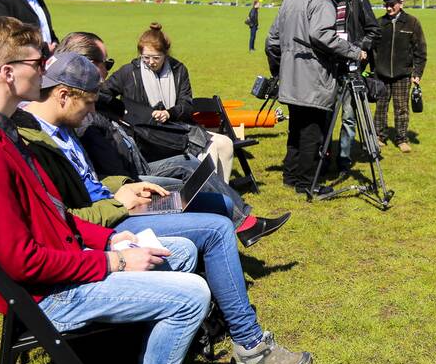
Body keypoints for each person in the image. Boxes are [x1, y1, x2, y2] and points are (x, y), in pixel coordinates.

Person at [0, 16, 218, 364]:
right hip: (47, 295)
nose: (47, 68)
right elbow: (21, 261)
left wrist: (109, 237)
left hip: (62, 265)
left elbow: (54, 216)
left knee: (176, 250)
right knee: (192, 295)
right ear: (7, 72)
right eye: (39, 60)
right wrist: (115, 260)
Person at [12, 50, 309, 364]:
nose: (92, 111)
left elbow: (88, 183)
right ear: (63, 95)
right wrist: (119, 203)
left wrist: (123, 186)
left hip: (114, 211)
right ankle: (249, 343)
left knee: (210, 206)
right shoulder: (35, 142)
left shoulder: (56, 128)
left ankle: (210, 330)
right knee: (216, 229)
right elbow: (62, 220)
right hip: (108, 227)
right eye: (90, 103)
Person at [41, 39, 290, 247]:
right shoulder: (89, 108)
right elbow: (104, 165)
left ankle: (243, 223)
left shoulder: (177, 70)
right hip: (130, 175)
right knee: (188, 171)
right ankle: (240, 224)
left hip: (137, 160)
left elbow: (185, 104)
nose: (107, 71)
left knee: (192, 164)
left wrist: (165, 114)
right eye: (105, 64)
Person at [265, 0, 363, 195]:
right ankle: (307, 183)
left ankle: (291, 175)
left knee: (296, 129)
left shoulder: (290, 0)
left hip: (291, 78)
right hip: (314, 77)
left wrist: (279, 70)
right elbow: (321, 35)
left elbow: (271, 41)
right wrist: (353, 51)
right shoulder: (322, 1)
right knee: (312, 132)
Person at [101, 22, 234, 182]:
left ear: (166, 54)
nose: (151, 62)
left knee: (226, 144)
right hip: (147, 136)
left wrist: (169, 113)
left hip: (176, 128)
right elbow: (102, 94)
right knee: (210, 148)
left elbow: (187, 105)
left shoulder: (179, 69)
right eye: (145, 58)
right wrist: (121, 113)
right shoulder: (128, 72)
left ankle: (223, 192)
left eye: (156, 58)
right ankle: (209, 195)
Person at [324, 0, 381, 172]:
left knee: (348, 117)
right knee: (326, 115)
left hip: (351, 67)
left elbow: (374, 30)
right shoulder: (324, 0)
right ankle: (324, 157)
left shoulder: (357, 0)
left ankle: (344, 159)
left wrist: (358, 48)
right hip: (328, 68)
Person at [372, 0, 426, 153]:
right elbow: (371, 48)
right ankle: (379, 136)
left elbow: (420, 50)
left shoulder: (412, 23)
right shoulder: (379, 23)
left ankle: (401, 139)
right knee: (381, 107)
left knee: (401, 108)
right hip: (381, 74)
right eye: (386, 5)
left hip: (402, 74)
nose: (388, 8)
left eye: (392, 5)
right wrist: (373, 70)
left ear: (401, 3)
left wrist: (417, 73)